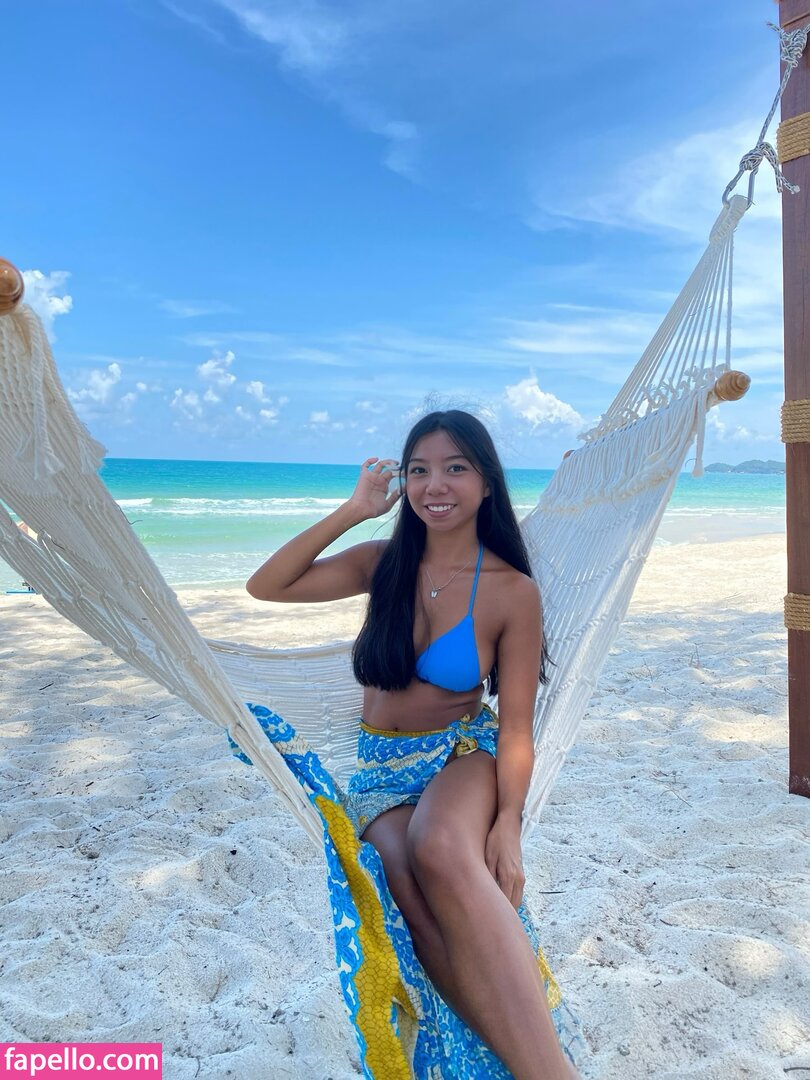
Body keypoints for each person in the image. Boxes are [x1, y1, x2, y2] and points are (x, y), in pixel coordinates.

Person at [245, 409, 582, 1079]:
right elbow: (267, 585)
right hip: (380, 770)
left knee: (439, 846)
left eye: (456, 468)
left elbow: (517, 726)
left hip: (461, 755)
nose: (436, 485)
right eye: (420, 470)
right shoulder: (383, 565)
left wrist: (509, 824)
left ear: (486, 482)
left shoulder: (513, 592)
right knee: (416, 910)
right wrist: (354, 511)